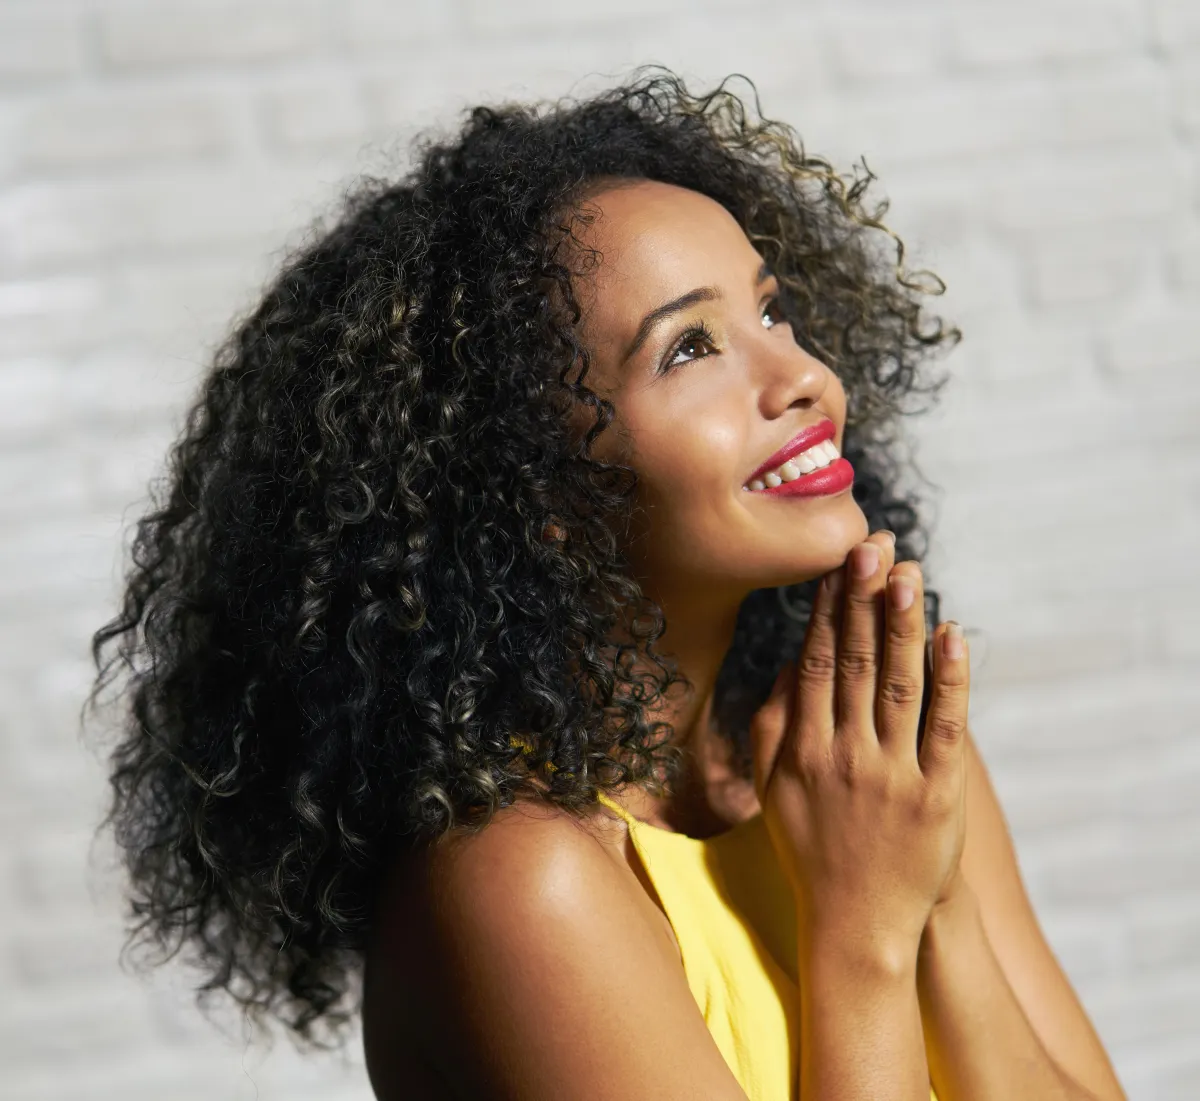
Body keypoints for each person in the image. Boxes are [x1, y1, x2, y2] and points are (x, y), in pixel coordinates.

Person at [88, 67, 1127, 1100]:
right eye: (689, 348)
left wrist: (936, 906)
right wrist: (865, 932)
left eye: (772, 312)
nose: (800, 376)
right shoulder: (518, 886)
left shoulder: (868, 765)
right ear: (529, 485)